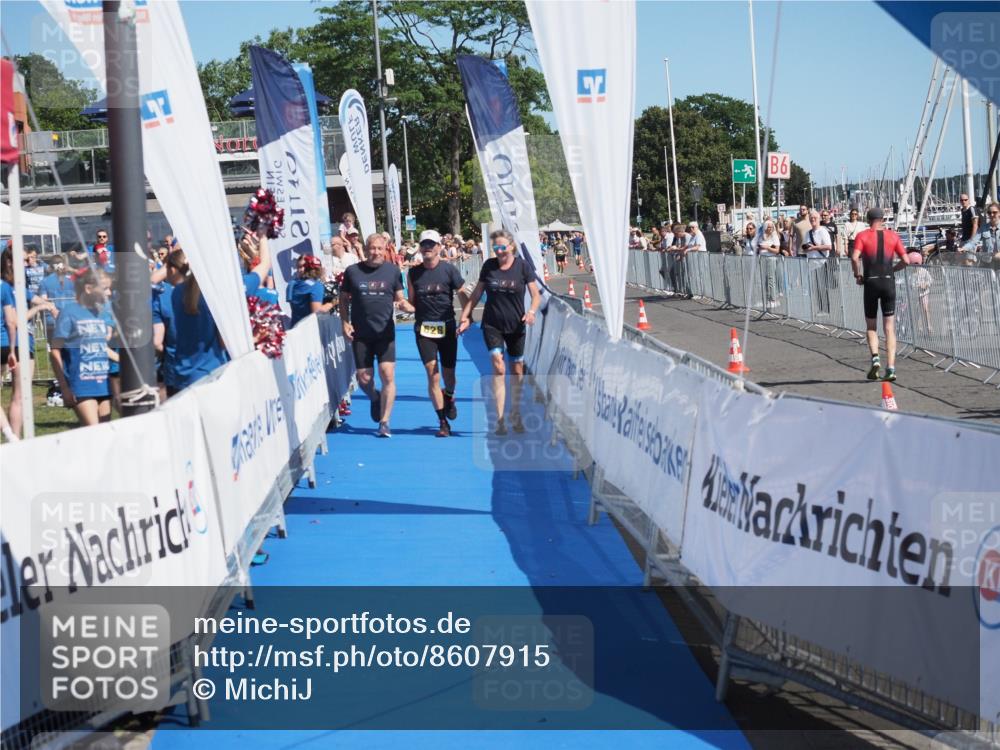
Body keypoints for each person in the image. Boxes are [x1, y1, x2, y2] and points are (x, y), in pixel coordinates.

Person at [458, 229, 541, 435]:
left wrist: (531, 312)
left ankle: (516, 413)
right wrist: (465, 316)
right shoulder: (489, 266)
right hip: (492, 323)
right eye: (495, 247)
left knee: (517, 370)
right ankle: (500, 418)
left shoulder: (523, 267)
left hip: (516, 324)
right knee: (498, 367)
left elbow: (535, 295)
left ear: (511, 247)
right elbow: (477, 293)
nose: (499, 251)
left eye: (503, 247)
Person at [339, 233, 415, 438]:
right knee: (364, 378)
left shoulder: (392, 271)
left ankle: (384, 422)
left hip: (385, 333)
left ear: (385, 250)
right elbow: (343, 298)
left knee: (387, 373)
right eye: (372, 248)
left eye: (379, 248)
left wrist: (408, 307)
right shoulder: (353, 271)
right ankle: (375, 397)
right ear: (365, 249)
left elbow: (400, 298)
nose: (376, 252)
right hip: (361, 333)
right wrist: (345, 321)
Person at [407, 229, 468, 437]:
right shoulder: (413, 273)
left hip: (447, 327)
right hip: (424, 329)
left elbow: (462, 293)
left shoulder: (449, 270)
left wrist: (466, 317)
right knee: (432, 375)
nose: (427, 248)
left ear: (439, 247)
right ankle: (442, 422)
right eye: (424, 244)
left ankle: (449, 396)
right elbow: (412, 302)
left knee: (449, 375)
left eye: (431, 245)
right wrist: (404, 305)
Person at [152, 248, 227, 397]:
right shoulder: (210, 293)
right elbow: (223, 341)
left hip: (180, 370)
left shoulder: (174, 293)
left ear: (172, 269)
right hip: (210, 370)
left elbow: (157, 342)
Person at [851, 207, 909, 382]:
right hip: (888, 282)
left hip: (871, 282)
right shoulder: (893, 236)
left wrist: (857, 275)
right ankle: (890, 368)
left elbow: (854, 257)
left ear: (868, 220)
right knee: (889, 328)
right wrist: (893, 270)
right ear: (883, 220)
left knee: (871, 326)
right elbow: (906, 260)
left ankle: (875, 358)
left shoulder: (862, 235)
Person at [49, 268, 112, 426]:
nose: (109, 293)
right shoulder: (69, 312)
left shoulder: (102, 312)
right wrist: (64, 387)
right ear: (88, 288)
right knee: (94, 431)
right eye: (105, 288)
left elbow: (101, 346)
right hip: (81, 384)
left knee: (106, 433)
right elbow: (55, 351)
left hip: (103, 383)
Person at [2, 249, 54, 436]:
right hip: (11, 342)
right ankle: (11, 436)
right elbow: (16, 320)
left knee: (21, 395)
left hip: (22, 342)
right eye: (23, 260)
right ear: (9, 262)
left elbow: (36, 299)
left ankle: (15, 438)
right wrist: (39, 308)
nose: (27, 264)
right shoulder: (5, 287)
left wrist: (50, 306)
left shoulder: (18, 287)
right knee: (19, 395)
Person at [287, 255, 334, 327]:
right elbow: (317, 311)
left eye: (302, 267)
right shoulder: (316, 286)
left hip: (295, 328)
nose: (300, 270)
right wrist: (333, 303)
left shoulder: (291, 284)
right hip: (311, 329)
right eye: (299, 267)